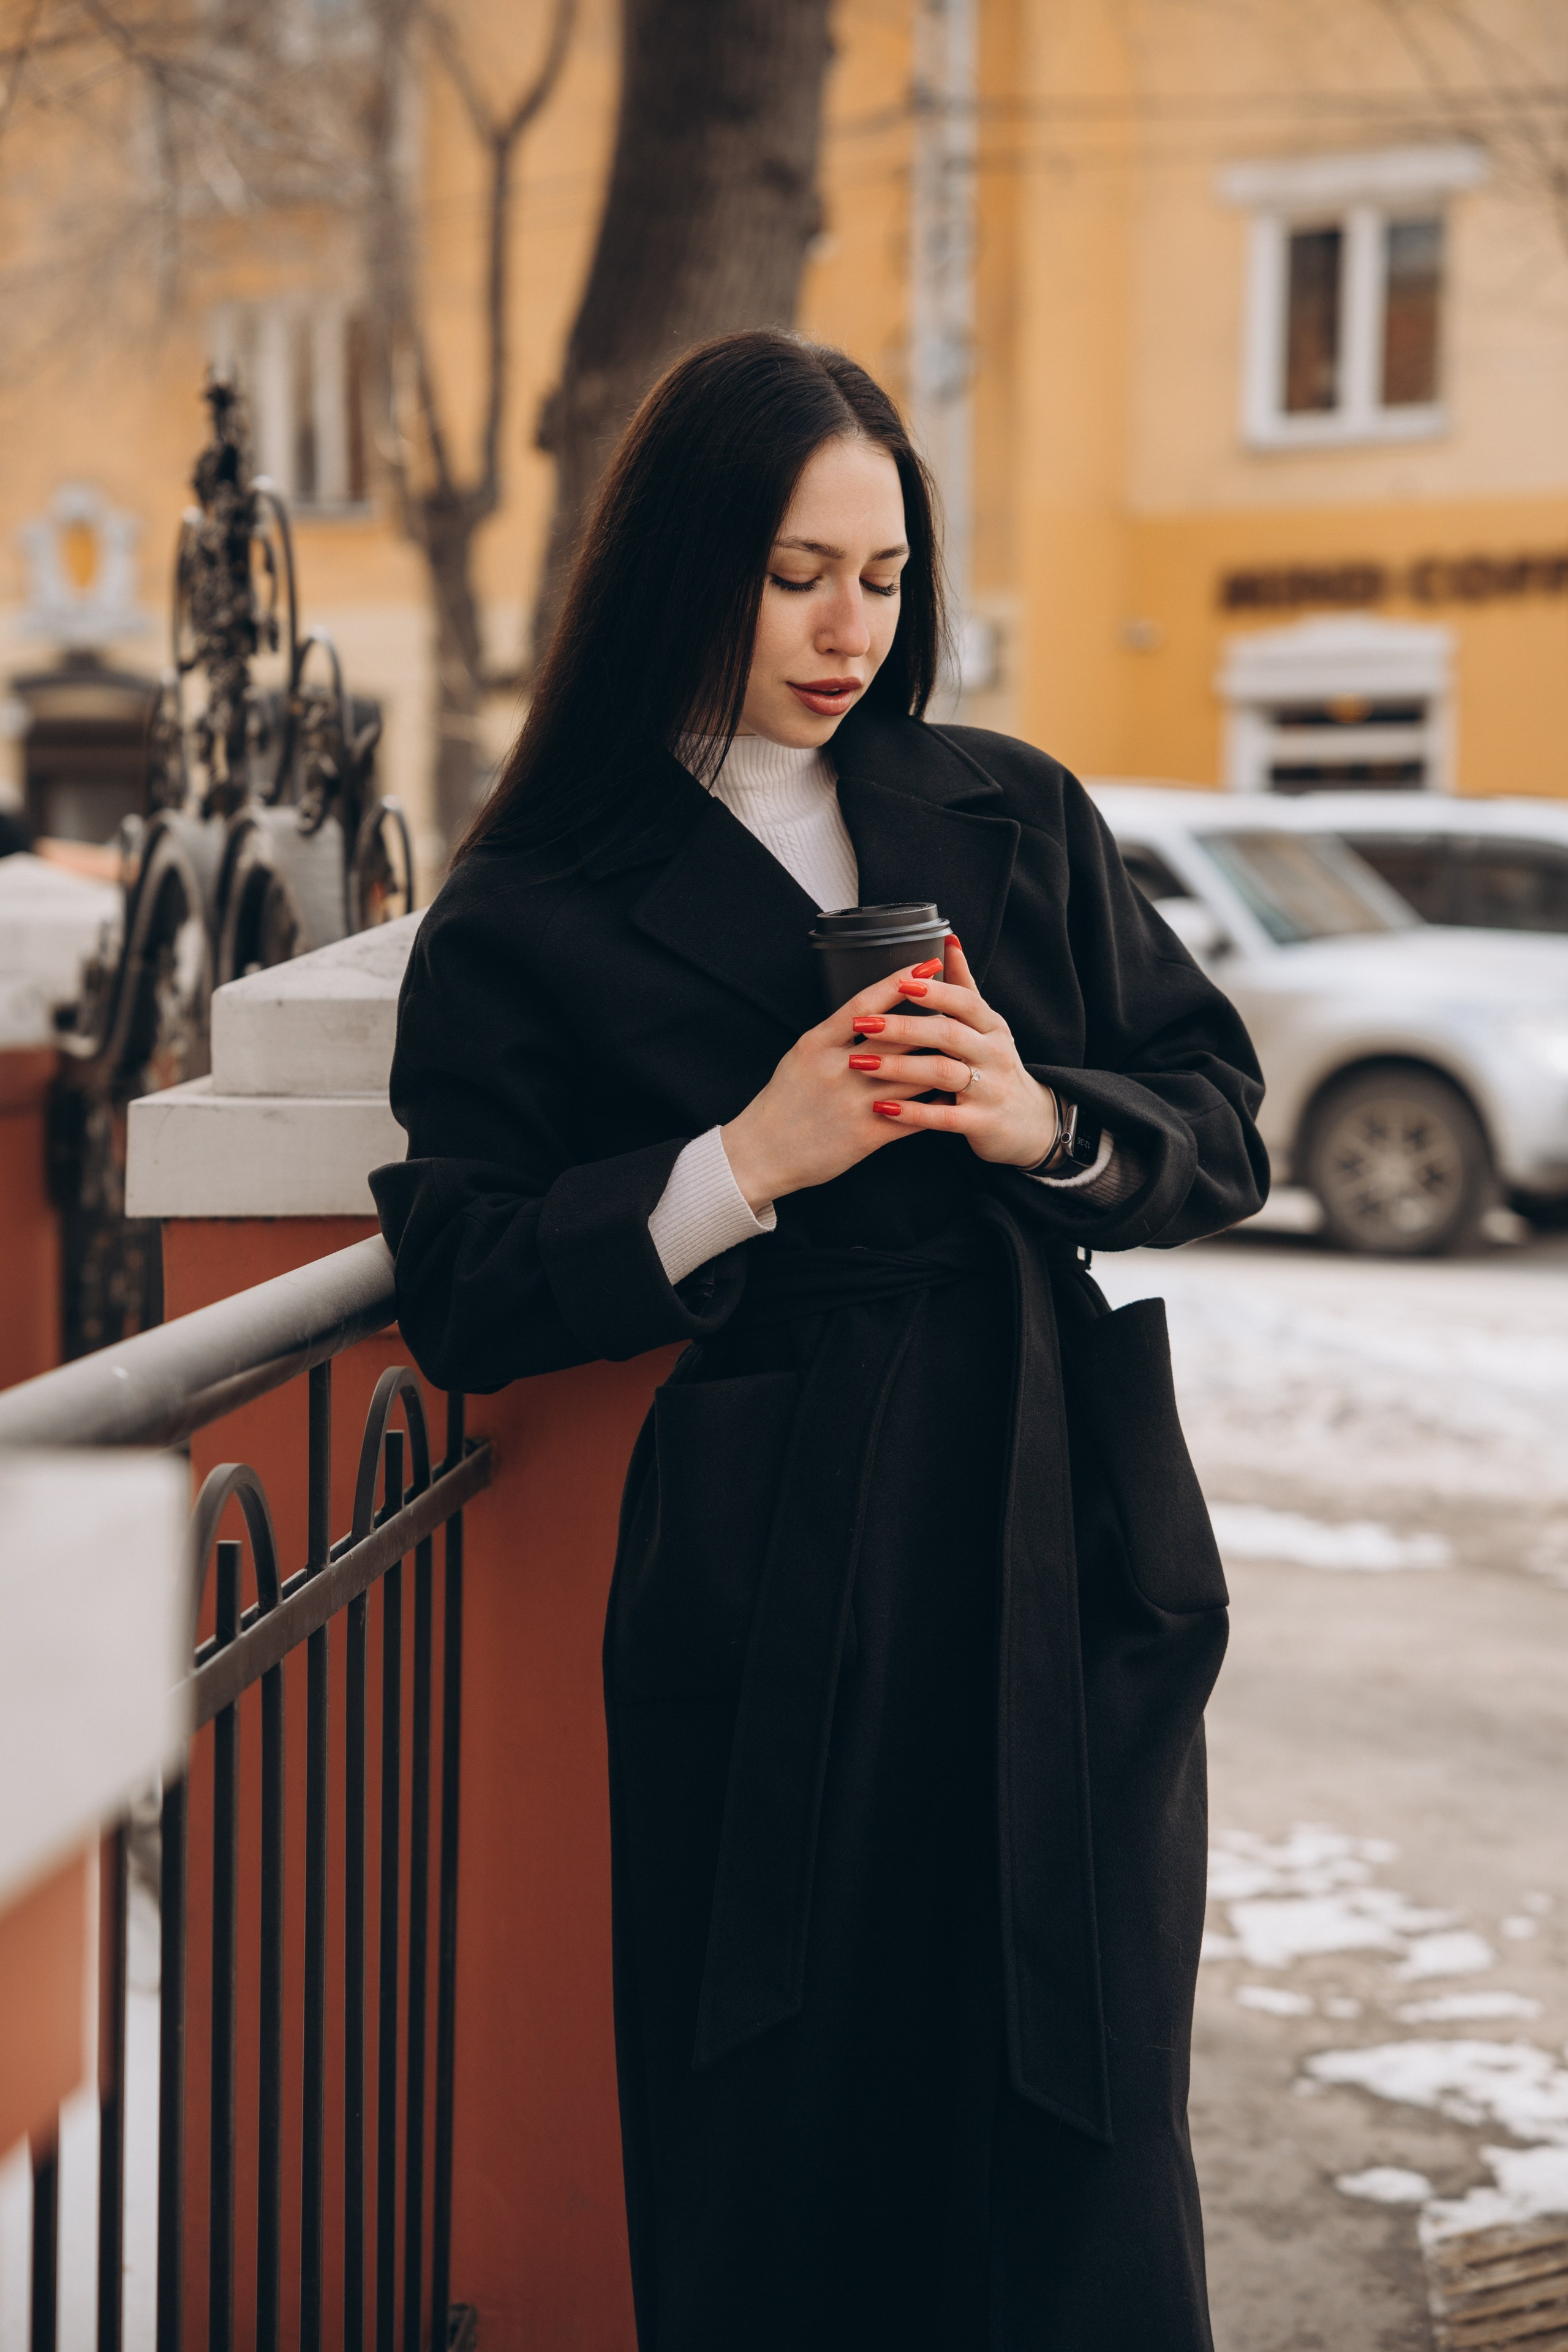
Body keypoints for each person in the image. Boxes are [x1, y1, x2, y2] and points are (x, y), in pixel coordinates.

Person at [372, 329, 1268, 2351]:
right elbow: (464, 1284)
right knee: (782, 2086)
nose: (848, 626)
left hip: (1053, 1518)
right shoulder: (539, 896)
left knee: (1087, 2088)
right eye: (796, 573)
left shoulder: (1011, 814)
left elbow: (1218, 1120)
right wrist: (741, 1162)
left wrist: (1040, 1118)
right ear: (687, 558)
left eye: (884, 573)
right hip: (778, 1553)